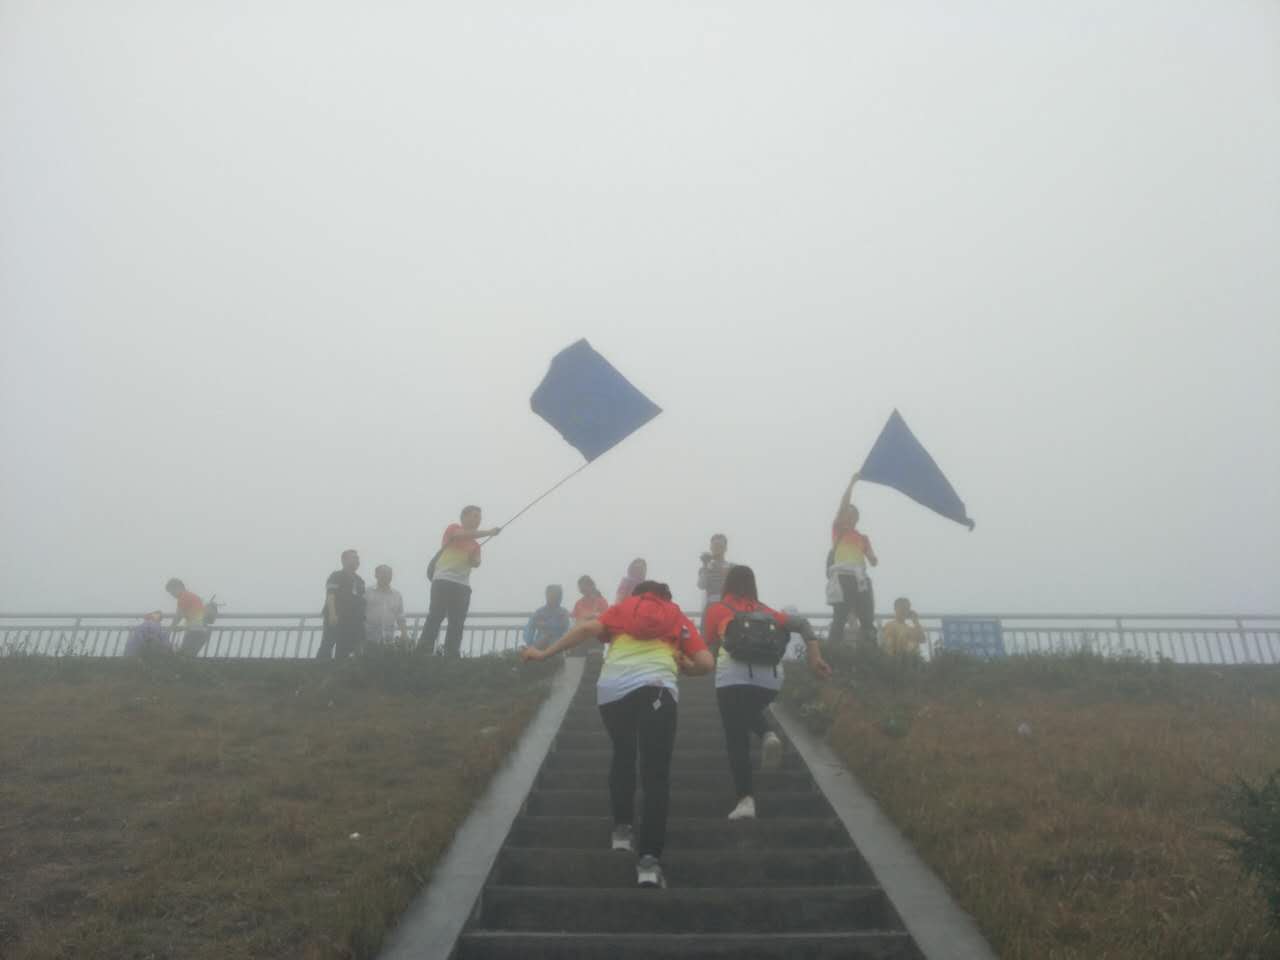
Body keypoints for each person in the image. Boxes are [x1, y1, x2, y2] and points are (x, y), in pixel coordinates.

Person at [521, 581, 713, 889]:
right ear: (665, 597)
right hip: (657, 688)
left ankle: (622, 831)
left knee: (624, 753)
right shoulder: (675, 615)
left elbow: (586, 630)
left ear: (637, 595)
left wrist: (544, 653)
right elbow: (706, 662)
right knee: (655, 774)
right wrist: (687, 668)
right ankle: (648, 862)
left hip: (612, 691)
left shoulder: (622, 609)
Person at [704, 565, 832, 820]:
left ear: (727, 584)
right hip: (771, 679)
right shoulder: (766, 611)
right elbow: (803, 624)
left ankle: (746, 800)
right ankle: (767, 732)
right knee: (747, 710)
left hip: (733, 676)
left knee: (736, 737)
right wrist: (815, 657)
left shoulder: (718, 609)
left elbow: (708, 646)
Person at [420, 506, 501, 657]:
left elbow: (476, 563)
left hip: (462, 586)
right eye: (474, 516)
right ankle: (422, 653)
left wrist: (473, 558)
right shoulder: (453, 528)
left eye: (479, 517)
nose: (478, 520)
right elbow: (460, 535)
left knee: (457, 623)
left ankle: (451, 656)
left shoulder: (476, 545)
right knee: (435, 617)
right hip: (443, 580)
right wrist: (489, 532)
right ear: (463, 517)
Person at [828, 471, 879, 650]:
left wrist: (873, 558)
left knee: (867, 618)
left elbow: (872, 559)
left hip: (860, 579)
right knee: (840, 617)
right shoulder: (838, 529)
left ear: (856, 518)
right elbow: (844, 502)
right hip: (843, 576)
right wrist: (852, 483)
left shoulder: (863, 538)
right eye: (845, 513)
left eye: (851, 514)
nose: (847, 516)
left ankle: (870, 652)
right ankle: (833, 651)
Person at [317, 549, 366, 659]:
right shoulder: (336, 576)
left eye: (358, 558)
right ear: (344, 560)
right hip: (336, 617)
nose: (357, 561)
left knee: (344, 648)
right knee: (327, 644)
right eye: (354, 558)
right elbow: (331, 595)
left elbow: (361, 600)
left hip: (351, 620)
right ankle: (319, 666)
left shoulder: (360, 580)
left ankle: (339, 668)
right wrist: (332, 614)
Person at [365, 564, 409, 648]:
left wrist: (404, 633)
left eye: (389, 574)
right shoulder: (367, 592)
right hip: (368, 639)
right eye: (383, 573)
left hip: (389, 640)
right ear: (376, 575)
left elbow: (400, 616)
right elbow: (359, 614)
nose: (386, 576)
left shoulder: (397, 595)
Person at [165, 578, 209, 656]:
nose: (172, 595)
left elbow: (178, 616)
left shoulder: (183, 597)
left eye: (172, 591)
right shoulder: (192, 595)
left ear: (178, 587)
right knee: (189, 656)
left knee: (184, 656)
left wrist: (170, 629)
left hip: (195, 631)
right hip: (202, 631)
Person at [522, 585, 572, 650]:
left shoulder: (563, 613)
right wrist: (530, 643)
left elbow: (567, 630)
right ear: (547, 596)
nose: (556, 598)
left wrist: (545, 626)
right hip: (540, 646)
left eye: (558, 595)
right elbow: (529, 628)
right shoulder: (539, 612)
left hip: (558, 646)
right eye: (553, 595)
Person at [697, 533, 733, 608]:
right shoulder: (705, 568)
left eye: (720, 546)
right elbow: (701, 585)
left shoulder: (732, 567)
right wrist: (705, 565)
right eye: (715, 546)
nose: (717, 548)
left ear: (725, 548)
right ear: (711, 548)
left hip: (729, 606)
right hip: (712, 606)